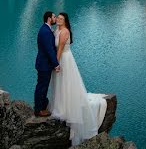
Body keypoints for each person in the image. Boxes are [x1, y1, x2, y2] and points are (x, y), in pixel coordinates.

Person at [48, 12, 107, 146]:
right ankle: (62, 104)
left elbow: (60, 49)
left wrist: (56, 64)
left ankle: (66, 107)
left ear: (65, 21)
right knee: (60, 83)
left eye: (61, 19)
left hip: (64, 59)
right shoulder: (57, 30)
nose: (58, 20)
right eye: (58, 18)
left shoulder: (64, 32)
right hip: (61, 58)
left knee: (66, 82)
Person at [34, 11, 59, 117]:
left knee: (42, 86)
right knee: (42, 87)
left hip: (44, 64)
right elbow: (49, 50)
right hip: (44, 64)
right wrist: (56, 64)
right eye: (54, 16)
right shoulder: (45, 31)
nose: (55, 18)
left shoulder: (46, 29)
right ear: (49, 18)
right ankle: (39, 109)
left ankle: (42, 106)